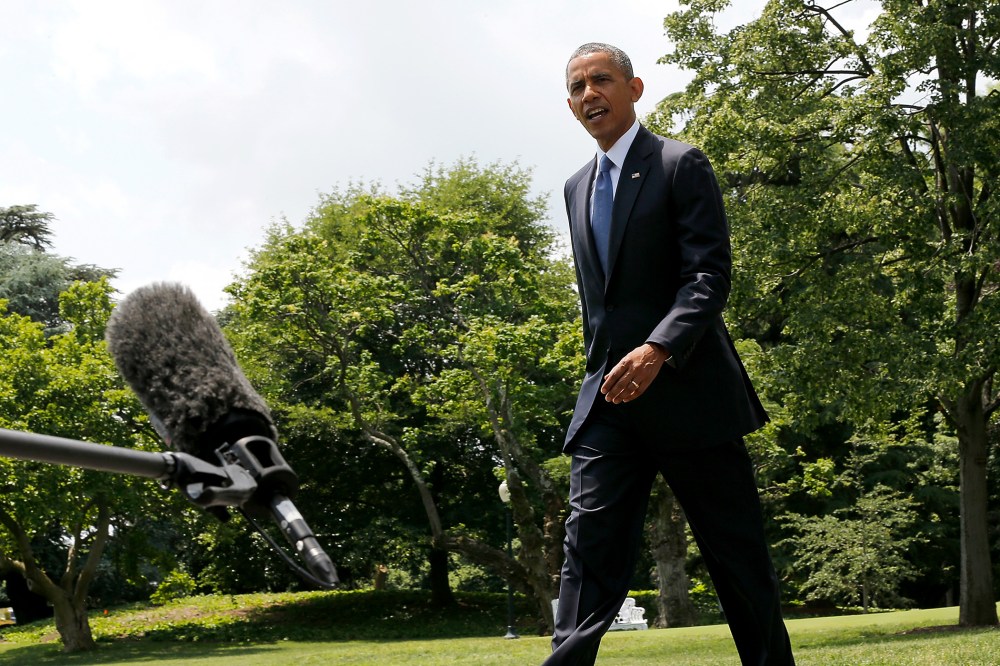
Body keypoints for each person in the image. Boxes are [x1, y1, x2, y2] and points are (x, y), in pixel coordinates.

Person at [545, 42, 795, 665]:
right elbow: (598, 304)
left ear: (635, 88)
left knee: (737, 560)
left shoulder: (681, 164)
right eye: (576, 87)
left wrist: (658, 348)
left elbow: (707, 277)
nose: (588, 94)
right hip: (610, 403)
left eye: (600, 80)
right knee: (588, 553)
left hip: (690, 395)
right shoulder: (575, 187)